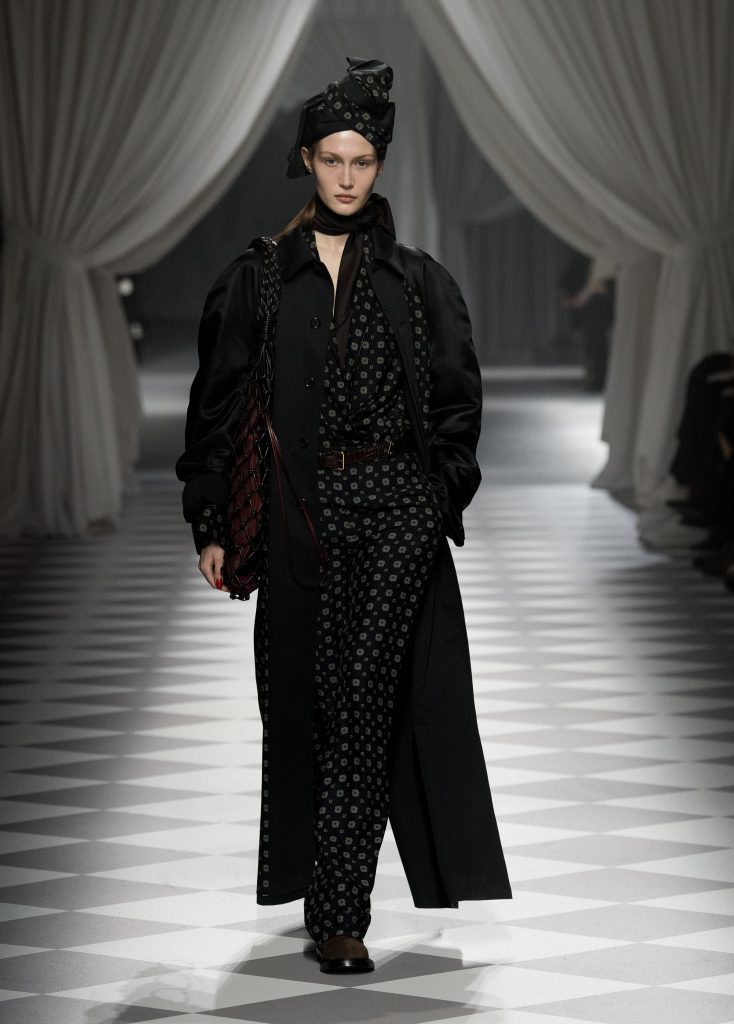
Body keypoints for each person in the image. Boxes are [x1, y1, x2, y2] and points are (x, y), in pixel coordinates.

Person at [175, 56, 511, 974]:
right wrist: (210, 518)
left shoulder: (418, 281)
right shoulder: (258, 279)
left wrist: (438, 494)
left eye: (362, 160)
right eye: (332, 159)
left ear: (380, 164)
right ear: (307, 161)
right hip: (302, 513)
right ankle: (329, 894)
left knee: (366, 700)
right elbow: (218, 406)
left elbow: (458, 404)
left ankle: (339, 916)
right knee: (314, 705)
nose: (348, 177)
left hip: (398, 509)